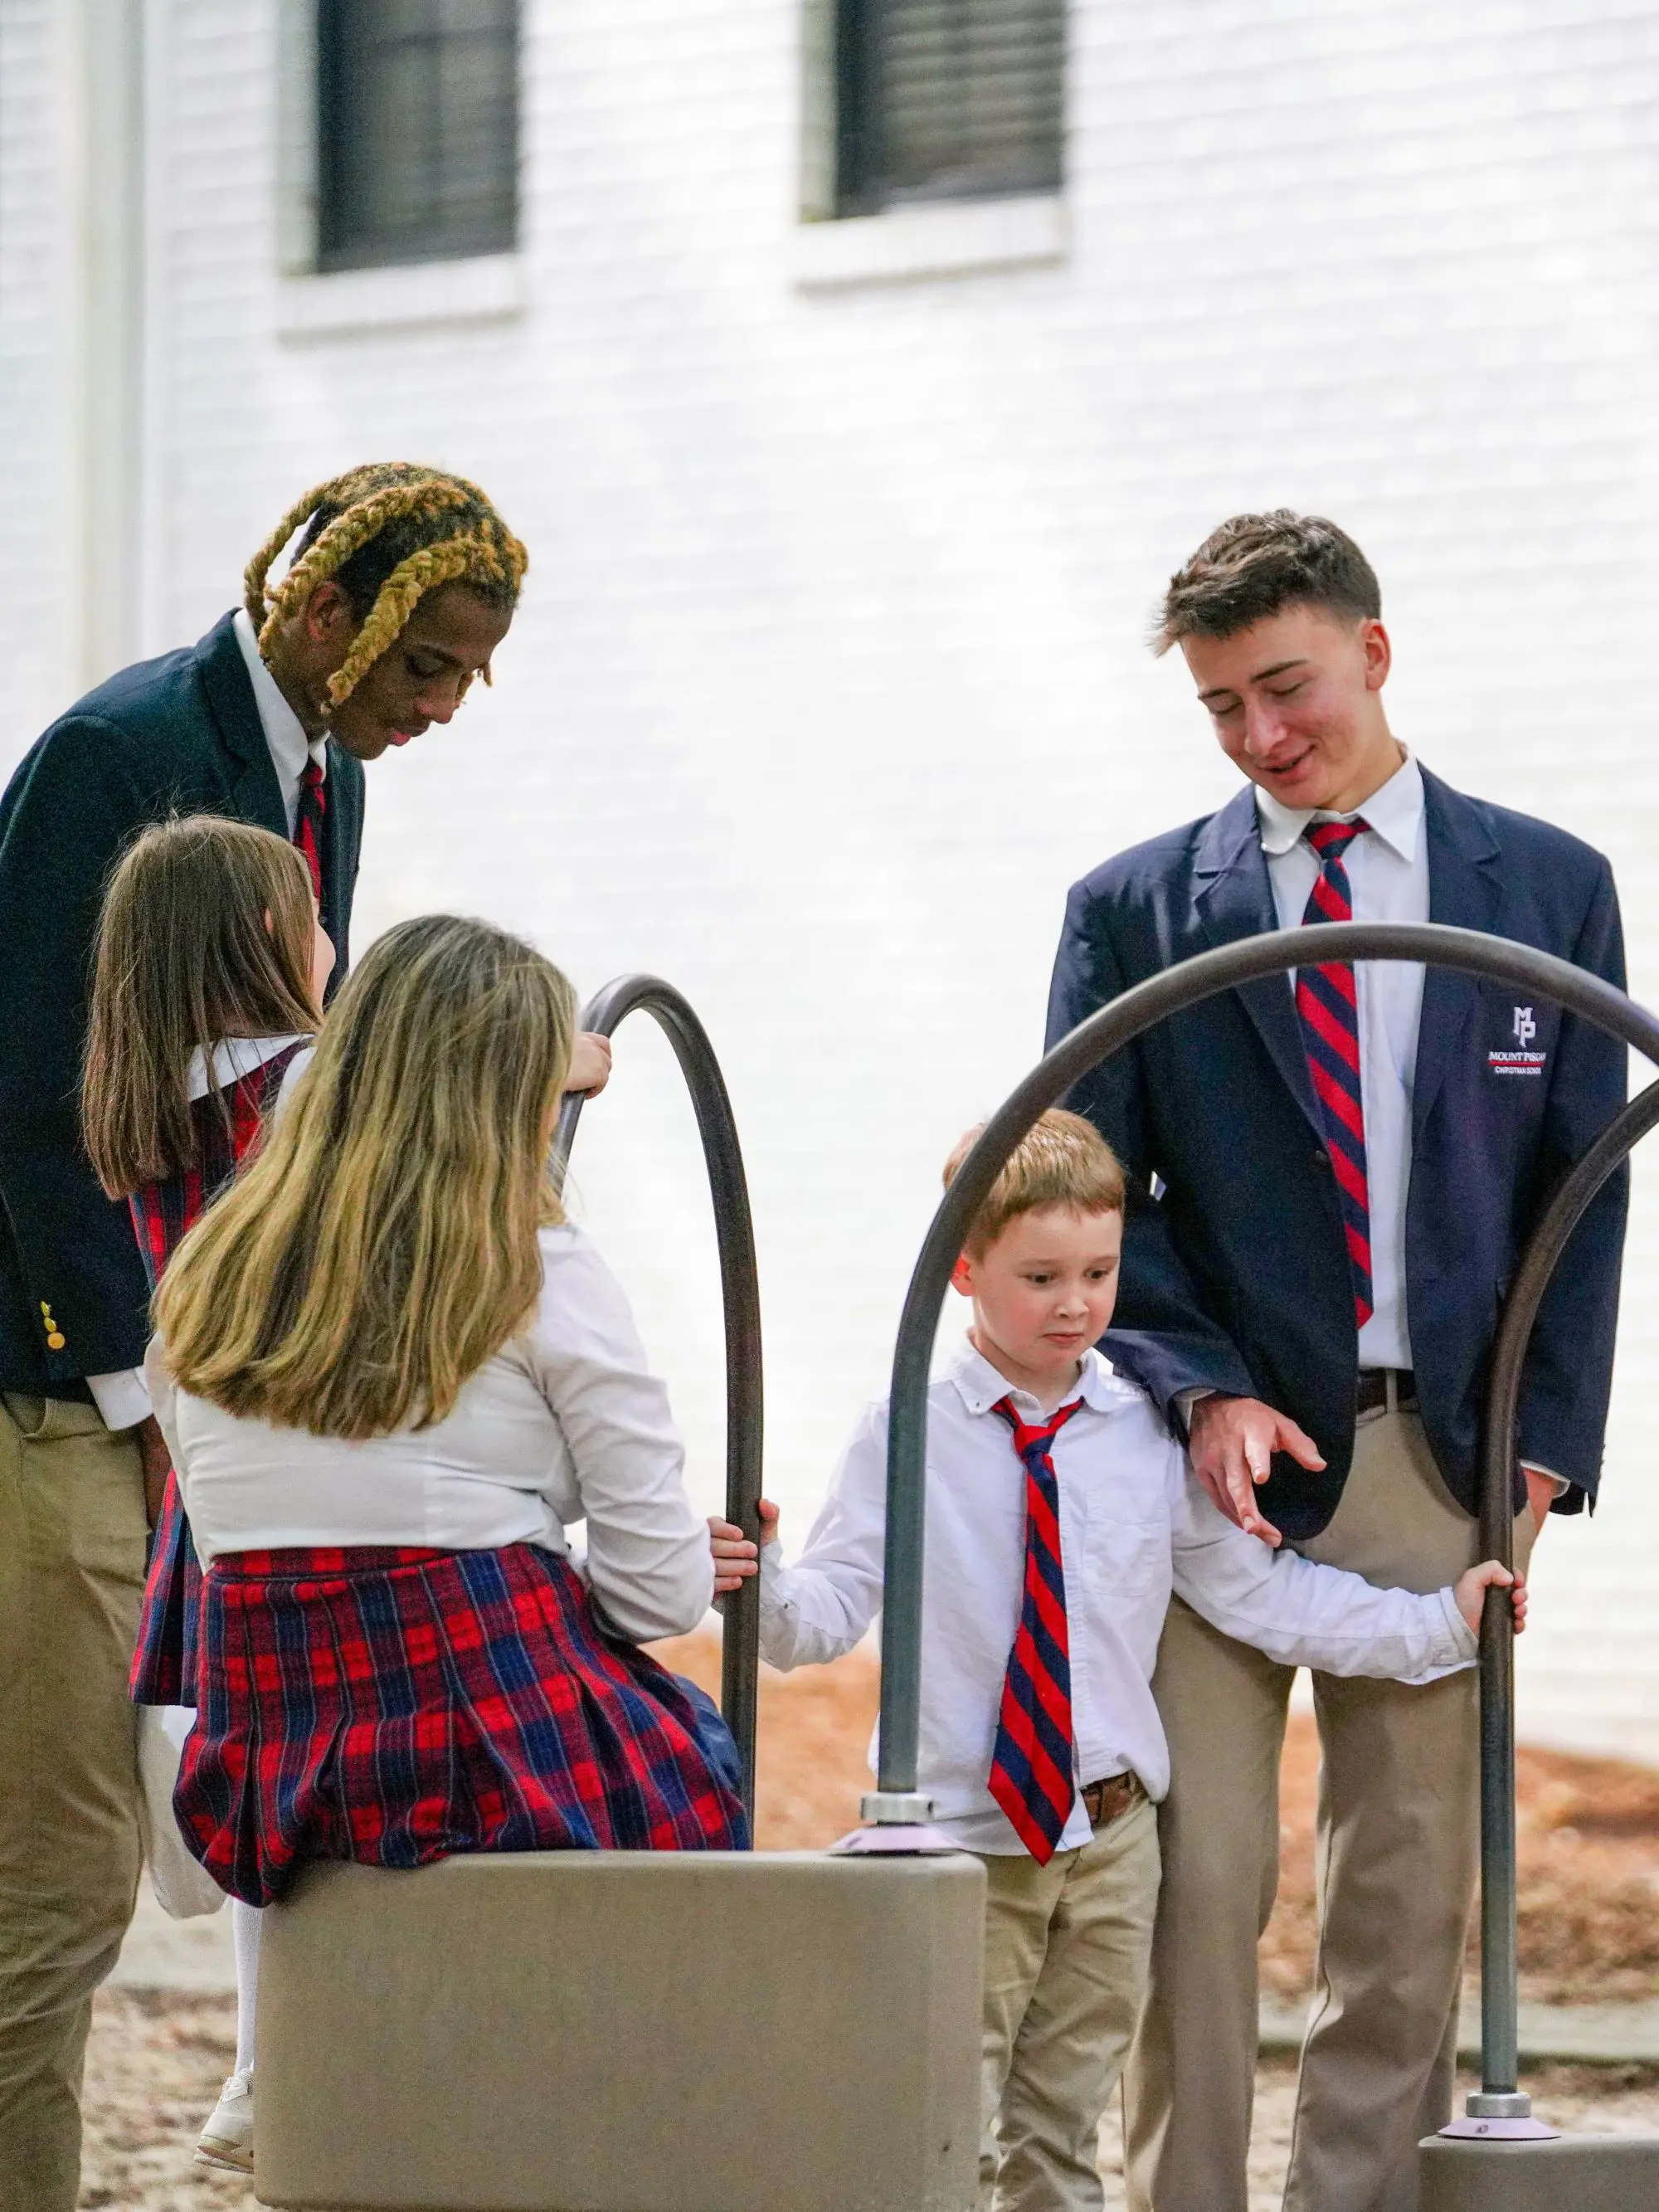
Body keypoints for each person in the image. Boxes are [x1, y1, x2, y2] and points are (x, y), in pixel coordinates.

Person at [1044, 511, 1627, 2212]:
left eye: (1281, 688)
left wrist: (1541, 1451)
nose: (1257, 736)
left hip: (1446, 1454)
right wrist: (1199, 1382)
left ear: (1372, 652)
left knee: (1402, 1898)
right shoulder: (1136, 906)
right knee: (1198, 1882)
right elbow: (1084, 1189)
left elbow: (1585, 1194)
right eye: (1220, 707)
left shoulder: (1551, 884)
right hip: (1212, 1461)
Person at [0, 461, 542, 2212]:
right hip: (56, 1378)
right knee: (63, 1869)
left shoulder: (334, 775)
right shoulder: (117, 757)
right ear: (328, 615)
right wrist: (152, 1380)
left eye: (465, 672)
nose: (444, 707)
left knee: (160, 1822)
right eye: (426, 666)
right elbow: (30, 1095)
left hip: (202, 1380)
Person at [712, 1110, 1524, 2212]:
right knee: (942, 2123)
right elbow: (822, 1617)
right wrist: (756, 1571)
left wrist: (1437, 1620)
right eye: (1041, 1275)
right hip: (966, 1842)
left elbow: (1261, 1593)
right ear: (964, 1270)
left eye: (1099, 1271)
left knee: (1064, 2125)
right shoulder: (907, 1427)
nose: (1077, 1303)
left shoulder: (1145, 1428)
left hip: (1110, 1841)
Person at [147, 914, 747, 1922]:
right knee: (695, 1761)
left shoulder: (210, 1276)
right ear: (513, 1098)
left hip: (283, 1771)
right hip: (487, 1760)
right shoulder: (536, 1268)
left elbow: (249, 1530)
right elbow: (658, 1596)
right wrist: (570, 1575)